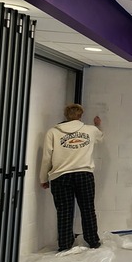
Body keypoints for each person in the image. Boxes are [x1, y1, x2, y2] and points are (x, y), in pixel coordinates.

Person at [40, 104, 103, 251]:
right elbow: (100, 138)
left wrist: (43, 179)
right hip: (84, 175)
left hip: (60, 177)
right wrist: (98, 125)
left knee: (64, 211)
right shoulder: (90, 130)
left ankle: (65, 244)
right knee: (88, 209)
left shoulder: (53, 132)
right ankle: (93, 241)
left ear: (65, 115)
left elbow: (46, 158)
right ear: (81, 115)